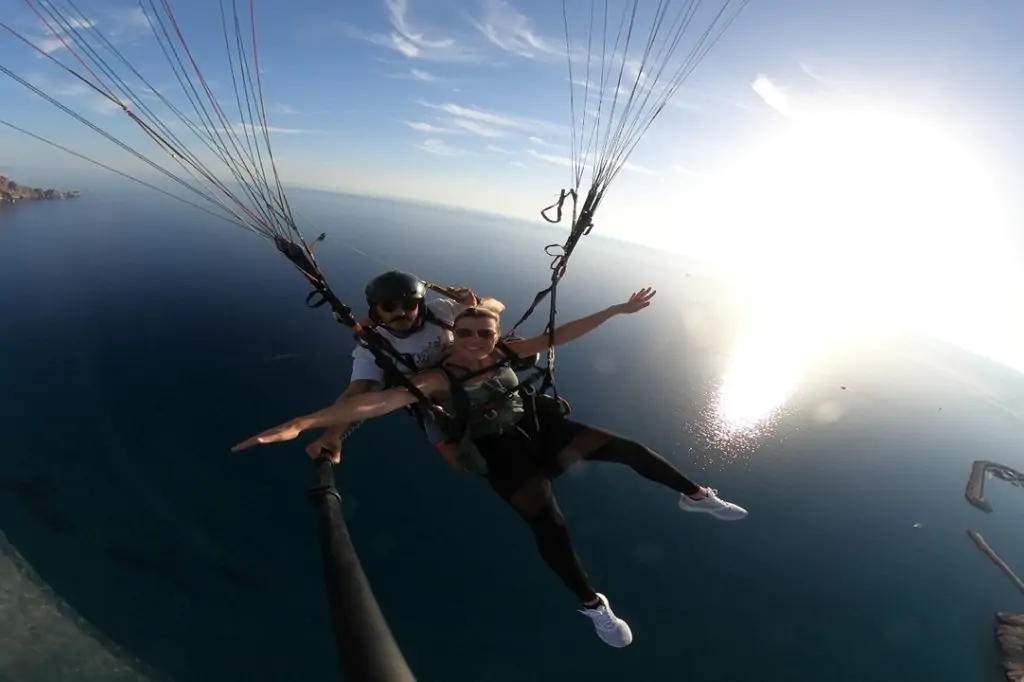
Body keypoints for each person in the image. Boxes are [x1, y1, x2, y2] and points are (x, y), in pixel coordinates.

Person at [232, 287, 748, 648]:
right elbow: (373, 403)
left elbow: (561, 334)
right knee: (549, 526)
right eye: (469, 332)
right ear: (454, 334)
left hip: (537, 431)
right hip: (498, 452)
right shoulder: (436, 378)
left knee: (629, 448)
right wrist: (304, 422)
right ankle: (594, 606)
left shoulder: (506, 349)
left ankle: (694, 494)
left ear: (494, 333)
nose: (479, 339)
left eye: (485, 332)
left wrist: (616, 309)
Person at [303, 269, 504, 467]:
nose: (400, 312)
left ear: (420, 304)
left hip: (472, 373)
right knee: (462, 462)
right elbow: (356, 392)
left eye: (409, 304)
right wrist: (332, 435)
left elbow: (496, 306)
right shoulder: (373, 348)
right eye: (389, 306)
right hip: (431, 399)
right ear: (376, 311)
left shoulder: (441, 311)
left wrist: (476, 304)